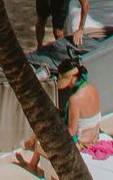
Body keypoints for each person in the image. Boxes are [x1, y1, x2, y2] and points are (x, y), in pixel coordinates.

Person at [16, 41, 101, 172]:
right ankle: (31, 149)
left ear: (72, 78)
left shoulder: (75, 99)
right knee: (48, 119)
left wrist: (52, 132)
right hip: (95, 136)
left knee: (45, 128)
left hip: (82, 143)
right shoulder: (92, 88)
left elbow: (72, 131)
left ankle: (32, 147)